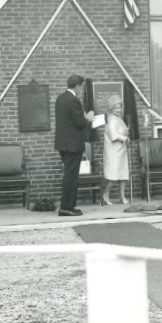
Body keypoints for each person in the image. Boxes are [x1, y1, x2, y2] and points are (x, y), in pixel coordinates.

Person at [54, 74, 94, 217]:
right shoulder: (74, 100)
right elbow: (79, 123)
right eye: (81, 86)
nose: (81, 89)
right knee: (71, 177)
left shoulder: (60, 98)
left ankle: (69, 206)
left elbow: (68, 120)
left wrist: (81, 116)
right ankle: (66, 208)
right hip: (72, 144)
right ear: (77, 86)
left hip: (63, 144)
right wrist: (87, 118)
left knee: (69, 175)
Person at [102, 95, 130, 205]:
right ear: (111, 109)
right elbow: (114, 136)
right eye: (116, 108)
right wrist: (125, 138)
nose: (118, 110)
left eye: (120, 107)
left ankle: (122, 197)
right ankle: (105, 195)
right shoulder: (111, 120)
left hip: (121, 150)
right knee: (112, 175)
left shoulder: (118, 118)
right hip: (113, 152)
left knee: (123, 174)